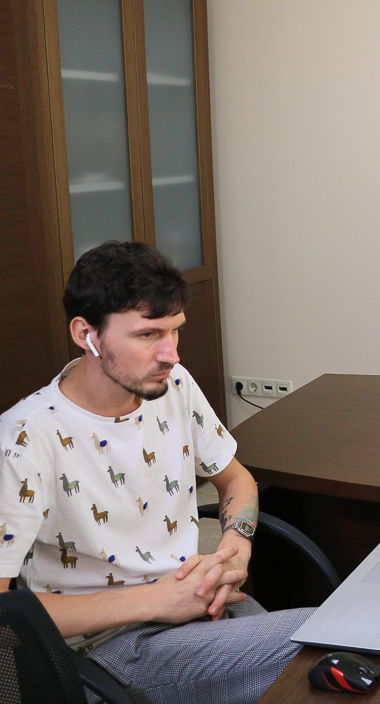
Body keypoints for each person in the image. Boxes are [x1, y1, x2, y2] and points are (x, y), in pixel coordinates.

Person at [0, 242, 314, 703]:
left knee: (343, 652)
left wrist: (235, 550)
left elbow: (236, 479)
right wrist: (154, 600)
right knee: (328, 640)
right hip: (108, 652)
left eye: (175, 331)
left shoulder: (173, 386)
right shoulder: (23, 439)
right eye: (148, 334)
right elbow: (5, 617)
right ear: (85, 333)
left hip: (196, 610)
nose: (171, 354)